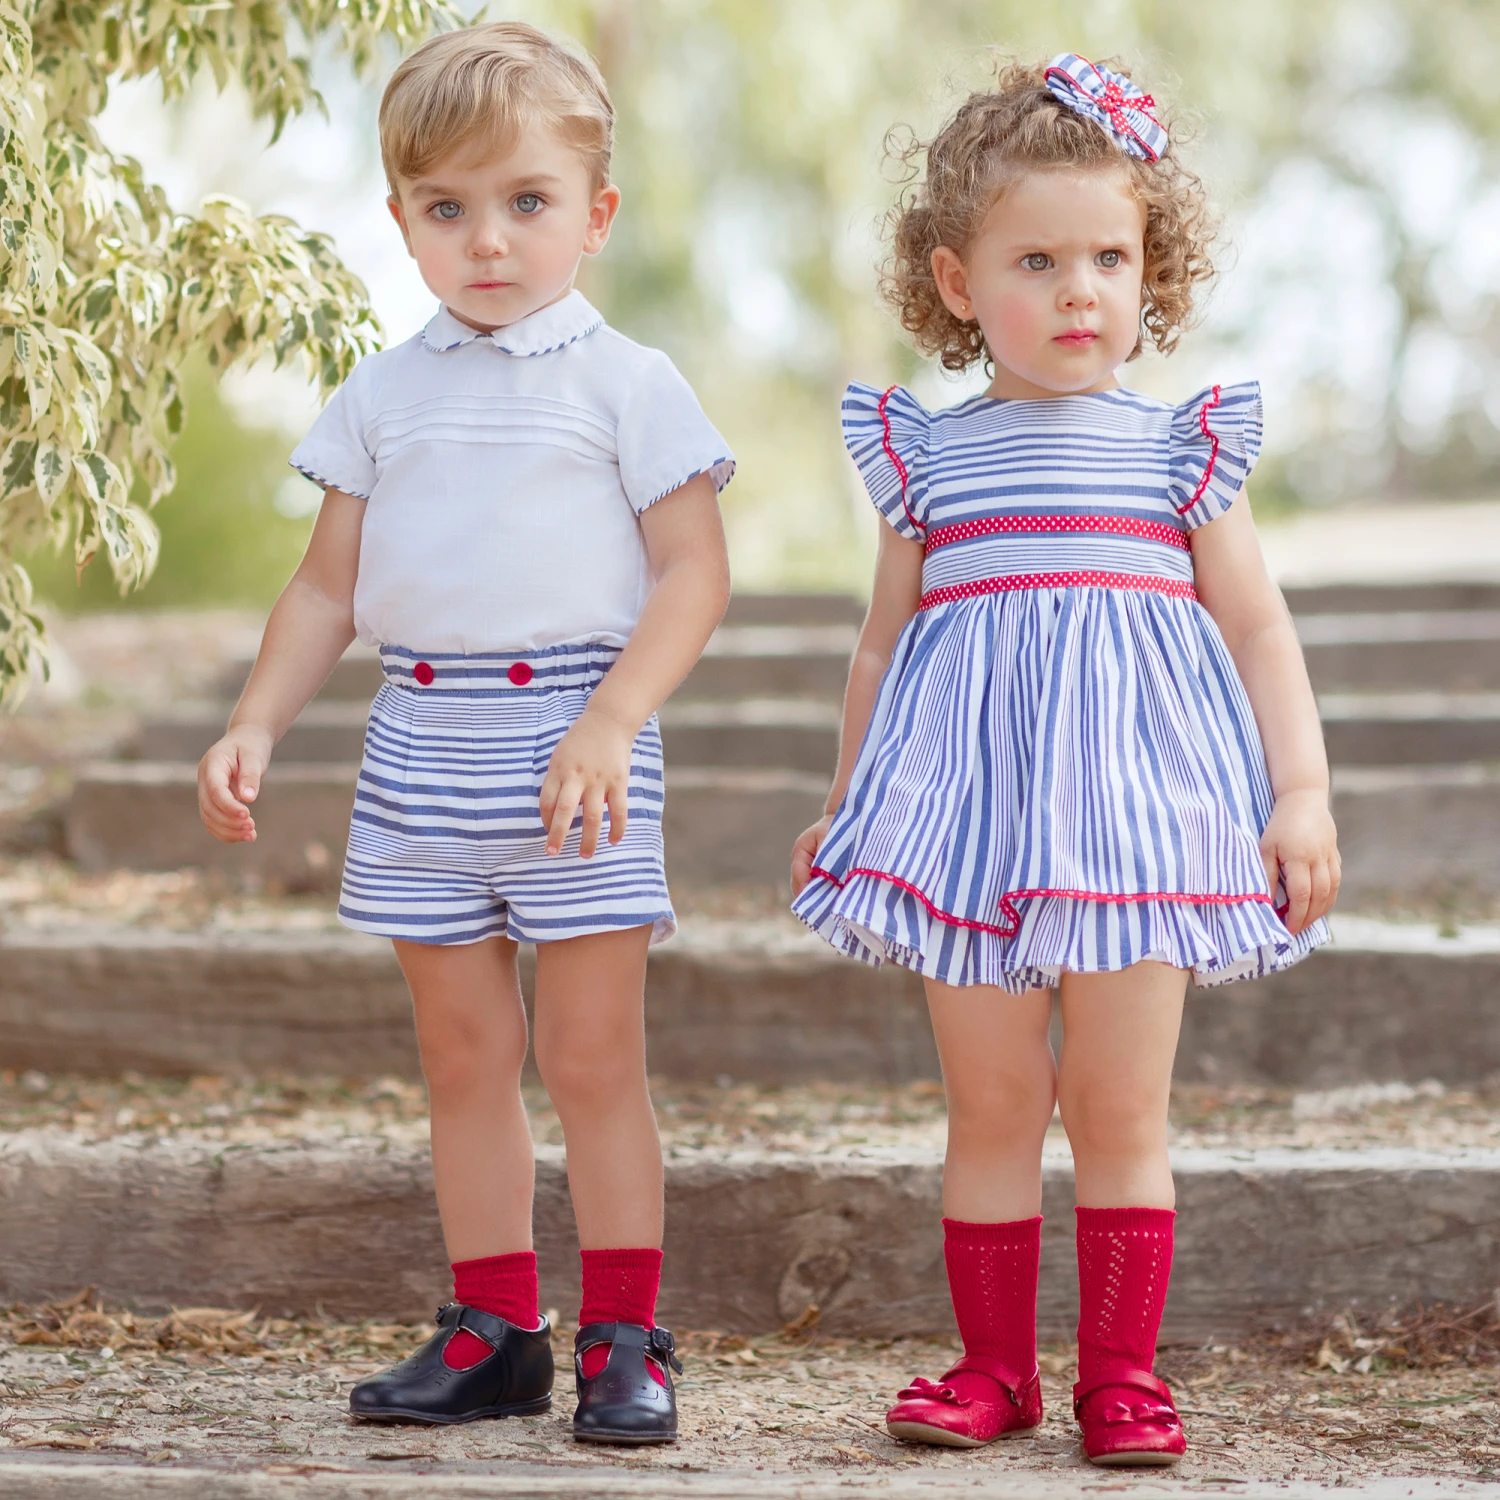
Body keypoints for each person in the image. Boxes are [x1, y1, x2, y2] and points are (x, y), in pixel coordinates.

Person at [790, 54, 1338, 1468]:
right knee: (990, 1100)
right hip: (965, 820)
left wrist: (1301, 793)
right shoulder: (930, 462)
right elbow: (876, 650)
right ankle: (992, 1371)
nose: (1080, 288)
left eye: (1110, 254)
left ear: (1152, 268)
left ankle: (1118, 1375)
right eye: (1037, 259)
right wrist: (848, 806)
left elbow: (1260, 627)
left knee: (1115, 1104)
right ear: (959, 283)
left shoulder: (1176, 454)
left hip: (1141, 825)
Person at [197, 21, 734, 1445]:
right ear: (403, 221)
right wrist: (257, 718)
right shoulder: (386, 392)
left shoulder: (630, 381)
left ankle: (628, 1331)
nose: (487, 240)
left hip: (575, 745)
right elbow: (328, 586)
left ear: (594, 213)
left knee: (593, 1058)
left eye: (527, 202)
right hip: (422, 744)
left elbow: (695, 574)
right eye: (448, 209)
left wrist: (618, 717)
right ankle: (496, 1325)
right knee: (459, 1056)